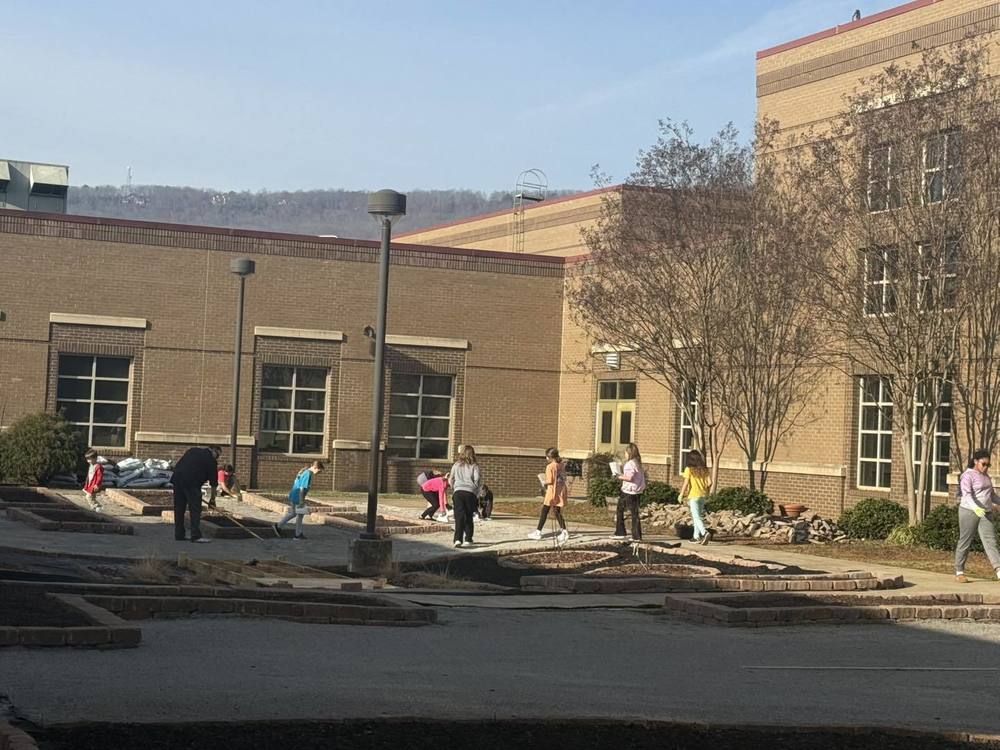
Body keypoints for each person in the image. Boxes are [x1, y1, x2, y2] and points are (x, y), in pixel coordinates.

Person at [955, 450, 1000, 583]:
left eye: (988, 465)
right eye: (983, 464)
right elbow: (966, 495)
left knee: (991, 542)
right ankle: (959, 572)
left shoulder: (986, 476)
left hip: (986, 513)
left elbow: (992, 495)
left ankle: (999, 570)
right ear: (976, 461)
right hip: (969, 511)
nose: (985, 467)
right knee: (965, 540)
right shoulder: (967, 476)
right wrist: (976, 508)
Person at [170, 445, 221, 543]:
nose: (217, 457)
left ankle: (179, 534)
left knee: (179, 509)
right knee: (195, 509)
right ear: (214, 450)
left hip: (177, 480)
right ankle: (195, 536)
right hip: (192, 484)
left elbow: (181, 465)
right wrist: (213, 499)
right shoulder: (211, 460)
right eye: (218, 455)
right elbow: (214, 483)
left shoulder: (192, 451)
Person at [274, 461, 324, 540]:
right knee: (300, 515)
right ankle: (298, 535)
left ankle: (278, 526)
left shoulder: (304, 472)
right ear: (315, 467)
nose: (319, 473)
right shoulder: (308, 474)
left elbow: (296, 482)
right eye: (319, 471)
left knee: (294, 513)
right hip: (298, 497)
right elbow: (302, 488)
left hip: (293, 495)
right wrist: (301, 501)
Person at [528, 447, 569, 543]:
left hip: (552, 491)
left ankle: (538, 532)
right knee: (557, 512)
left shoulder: (550, 466)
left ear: (549, 457)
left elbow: (550, 481)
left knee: (544, 511)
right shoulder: (561, 465)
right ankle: (564, 531)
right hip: (561, 490)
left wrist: (543, 481)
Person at [449, 445, 482, 548]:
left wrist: (454, 488)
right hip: (470, 492)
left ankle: (458, 539)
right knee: (468, 515)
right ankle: (468, 539)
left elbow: (451, 478)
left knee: (459, 516)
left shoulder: (456, 465)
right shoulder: (474, 466)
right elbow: (477, 479)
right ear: (472, 454)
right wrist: (475, 491)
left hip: (458, 492)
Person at [612, 443, 645, 541]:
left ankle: (621, 532)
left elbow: (629, 477)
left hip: (628, 491)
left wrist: (618, 476)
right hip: (637, 491)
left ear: (629, 453)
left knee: (620, 510)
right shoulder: (637, 463)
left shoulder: (630, 464)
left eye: (626, 452)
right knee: (634, 513)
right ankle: (637, 535)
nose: (625, 454)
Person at [680, 449, 712, 544]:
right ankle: (696, 537)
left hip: (693, 496)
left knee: (696, 516)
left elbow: (686, 483)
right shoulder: (704, 469)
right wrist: (707, 491)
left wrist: (681, 494)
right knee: (697, 517)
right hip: (702, 495)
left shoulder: (688, 469)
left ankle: (704, 532)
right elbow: (710, 482)